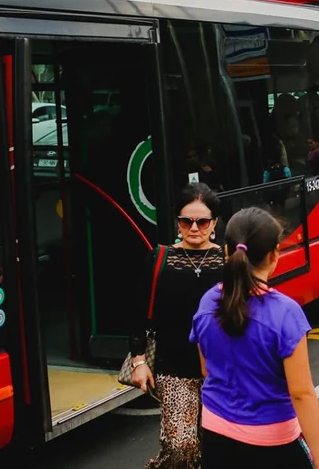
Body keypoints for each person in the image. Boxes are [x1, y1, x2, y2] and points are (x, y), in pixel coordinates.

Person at [190, 207, 319, 469]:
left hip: (216, 436)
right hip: (274, 443)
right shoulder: (285, 313)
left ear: (228, 252)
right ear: (275, 253)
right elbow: (301, 393)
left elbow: (206, 370)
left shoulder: (207, 302)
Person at [131, 184, 225, 469]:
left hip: (222, 369)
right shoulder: (160, 259)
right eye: (186, 221)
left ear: (214, 224)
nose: (194, 227)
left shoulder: (229, 261)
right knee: (181, 447)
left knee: (216, 446)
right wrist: (138, 361)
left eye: (202, 221)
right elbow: (138, 313)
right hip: (173, 367)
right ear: (178, 222)